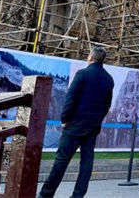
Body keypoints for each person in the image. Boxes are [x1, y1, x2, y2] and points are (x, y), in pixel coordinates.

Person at [38, 46, 114, 198]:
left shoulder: (82, 74)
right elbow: (107, 105)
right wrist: (96, 120)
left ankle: (46, 194)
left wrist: (65, 118)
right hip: (93, 127)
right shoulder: (108, 79)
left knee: (61, 161)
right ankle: (78, 195)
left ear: (90, 57)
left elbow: (70, 98)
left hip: (74, 125)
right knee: (86, 163)